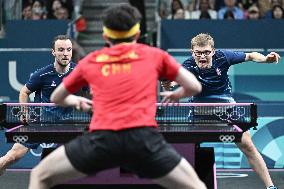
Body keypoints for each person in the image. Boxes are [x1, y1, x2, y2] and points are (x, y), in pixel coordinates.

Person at [28, 3, 207, 189]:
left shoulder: (92, 60)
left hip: (102, 141)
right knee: (197, 187)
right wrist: (177, 94)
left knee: (40, 175)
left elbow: (57, 97)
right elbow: (194, 86)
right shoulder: (155, 55)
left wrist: (77, 100)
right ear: (137, 35)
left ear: (105, 36)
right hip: (144, 142)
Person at [162, 33, 280, 189]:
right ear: (192, 52)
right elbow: (170, 83)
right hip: (199, 111)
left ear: (213, 51)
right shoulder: (187, 66)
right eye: (198, 52)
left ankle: (270, 187)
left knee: (248, 146)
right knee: (187, 149)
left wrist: (265, 59)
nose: (202, 56)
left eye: (206, 52)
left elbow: (251, 55)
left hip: (227, 109)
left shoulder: (223, 57)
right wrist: (166, 83)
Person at [0, 35, 77, 175]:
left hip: (67, 124)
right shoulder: (42, 74)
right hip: (40, 123)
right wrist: (25, 113)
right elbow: (24, 91)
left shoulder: (78, 72)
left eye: (68, 49)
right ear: (53, 52)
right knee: (11, 158)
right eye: (61, 50)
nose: (65, 53)